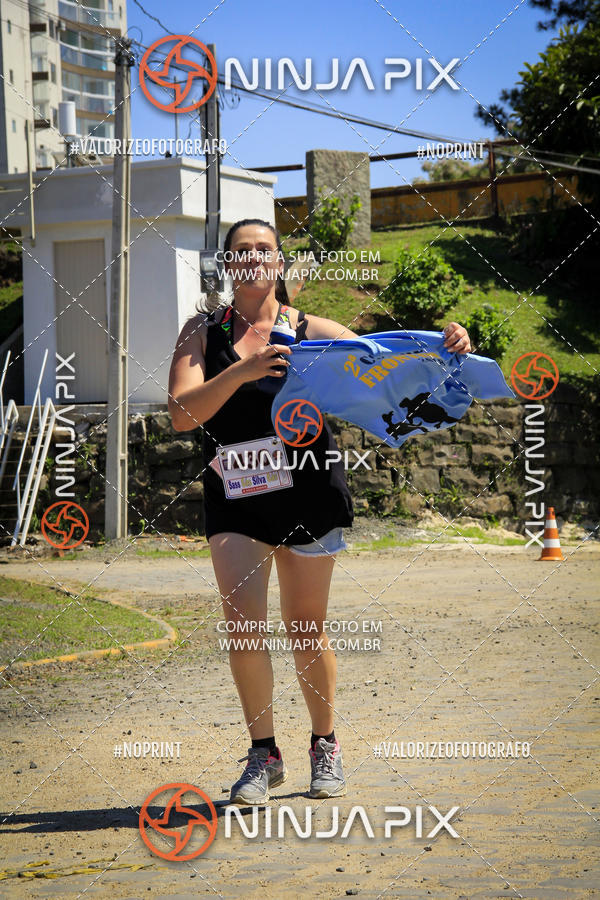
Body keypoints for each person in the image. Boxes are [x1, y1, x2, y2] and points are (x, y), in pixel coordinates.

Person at [167, 218, 471, 805]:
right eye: (241, 251)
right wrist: (244, 370)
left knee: (306, 627)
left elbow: (388, 366)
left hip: (308, 491)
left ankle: (324, 744)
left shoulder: (313, 331)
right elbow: (182, 413)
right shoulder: (202, 332)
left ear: (279, 262)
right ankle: (263, 755)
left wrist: (447, 342)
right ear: (227, 264)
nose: (254, 258)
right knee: (243, 625)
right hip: (236, 497)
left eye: (264, 249)